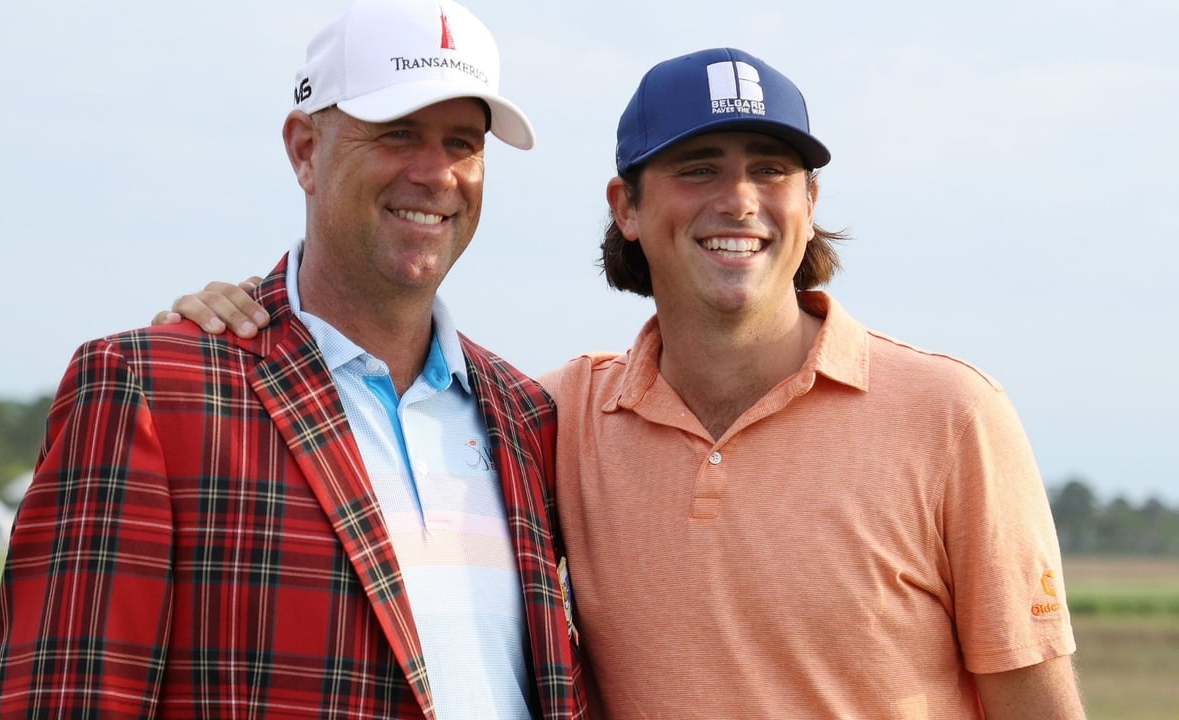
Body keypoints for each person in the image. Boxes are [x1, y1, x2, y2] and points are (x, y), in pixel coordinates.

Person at [162, 48, 1086, 718]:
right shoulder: (551, 418)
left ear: (811, 207)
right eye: (698, 170)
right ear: (627, 207)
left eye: (774, 171)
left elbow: (1037, 705)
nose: (740, 202)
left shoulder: (952, 415)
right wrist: (243, 310)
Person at [0, 1, 588, 718]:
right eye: (399, 134)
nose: (436, 174)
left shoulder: (527, 417)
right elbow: (73, 697)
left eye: (462, 143)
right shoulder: (149, 391)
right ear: (305, 149)